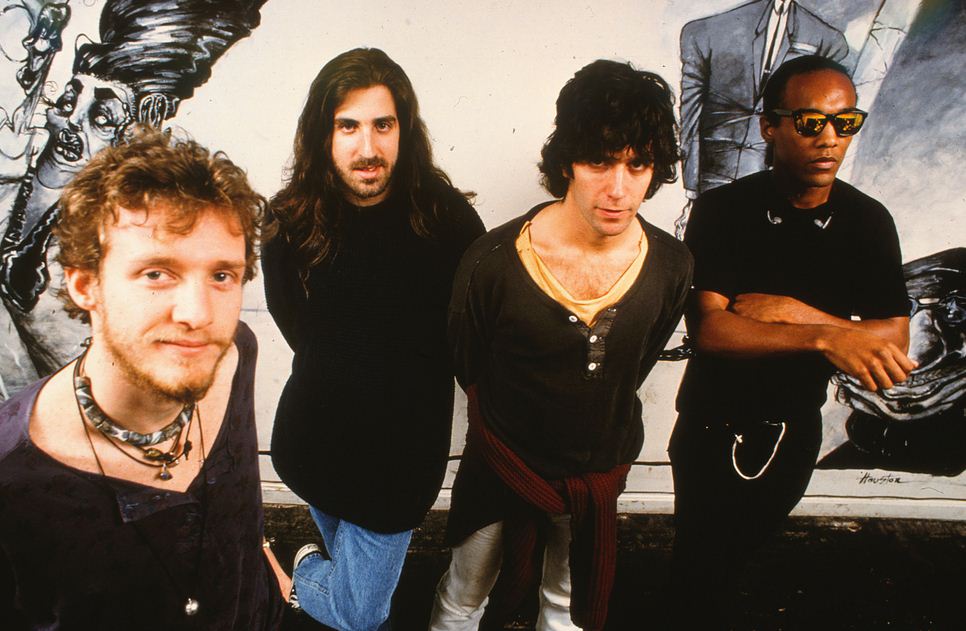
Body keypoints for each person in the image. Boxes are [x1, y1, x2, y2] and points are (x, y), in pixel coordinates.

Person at [429, 59, 693, 631]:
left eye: (637, 164)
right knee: (462, 599)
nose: (618, 188)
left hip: (595, 477)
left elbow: (634, 363)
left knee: (565, 609)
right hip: (501, 467)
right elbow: (467, 362)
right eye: (600, 161)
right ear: (567, 160)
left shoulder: (672, 265)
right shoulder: (492, 263)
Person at [0, 126, 288, 629]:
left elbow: (233, 495)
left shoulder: (234, 353)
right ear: (86, 285)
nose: (198, 314)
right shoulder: (14, 480)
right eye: (157, 273)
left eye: (222, 275)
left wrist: (260, 557)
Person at [669, 55, 915, 628]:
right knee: (698, 569)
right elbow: (711, 330)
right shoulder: (723, 210)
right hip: (711, 422)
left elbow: (893, 335)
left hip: (794, 428)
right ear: (769, 127)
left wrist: (798, 317)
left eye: (844, 122)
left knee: (732, 560)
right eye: (809, 122)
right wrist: (831, 337)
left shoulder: (867, 222)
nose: (829, 139)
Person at [262, 48, 483, 631]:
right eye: (348, 126)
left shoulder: (448, 220)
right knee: (362, 601)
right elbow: (297, 329)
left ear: (405, 129)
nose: (368, 148)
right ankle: (324, 573)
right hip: (312, 442)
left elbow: (469, 337)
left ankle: (292, 573)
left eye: (383, 125)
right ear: (323, 134)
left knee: (359, 612)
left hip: (399, 462)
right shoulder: (290, 221)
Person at [676, 0, 847, 236]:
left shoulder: (828, 40)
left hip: (772, 194)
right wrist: (692, 193)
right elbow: (691, 115)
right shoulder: (704, 31)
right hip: (713, 178)